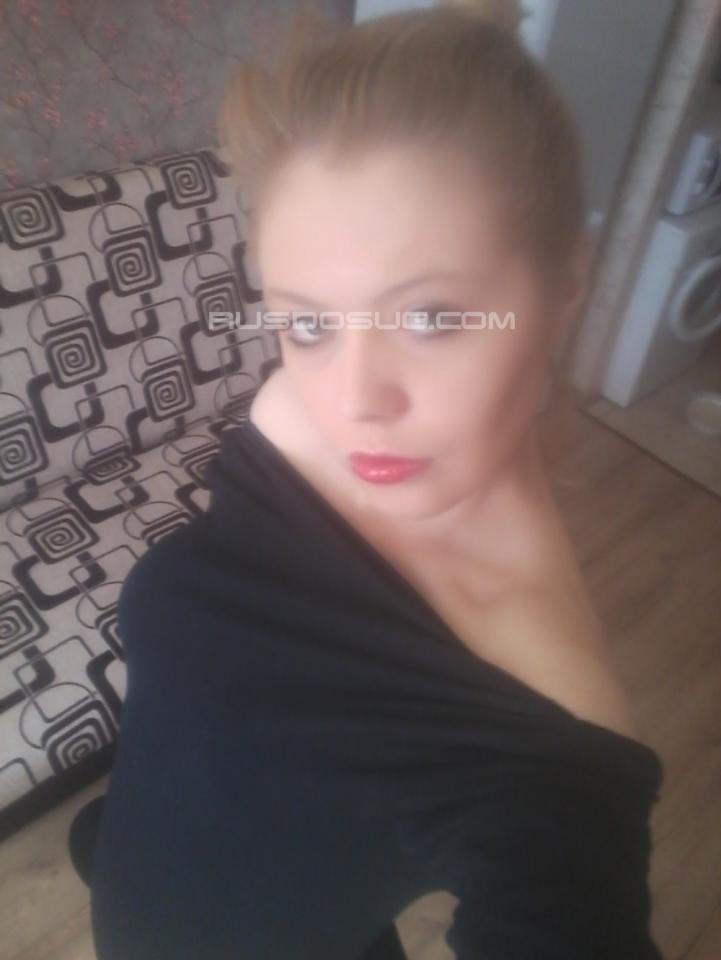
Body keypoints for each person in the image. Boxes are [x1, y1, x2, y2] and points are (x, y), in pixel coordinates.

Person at [71, 1, 666, 957]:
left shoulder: (548, 744)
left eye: (429, 317)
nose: (355, 402)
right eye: (309, 323)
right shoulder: (293, 416)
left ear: (565, 282)